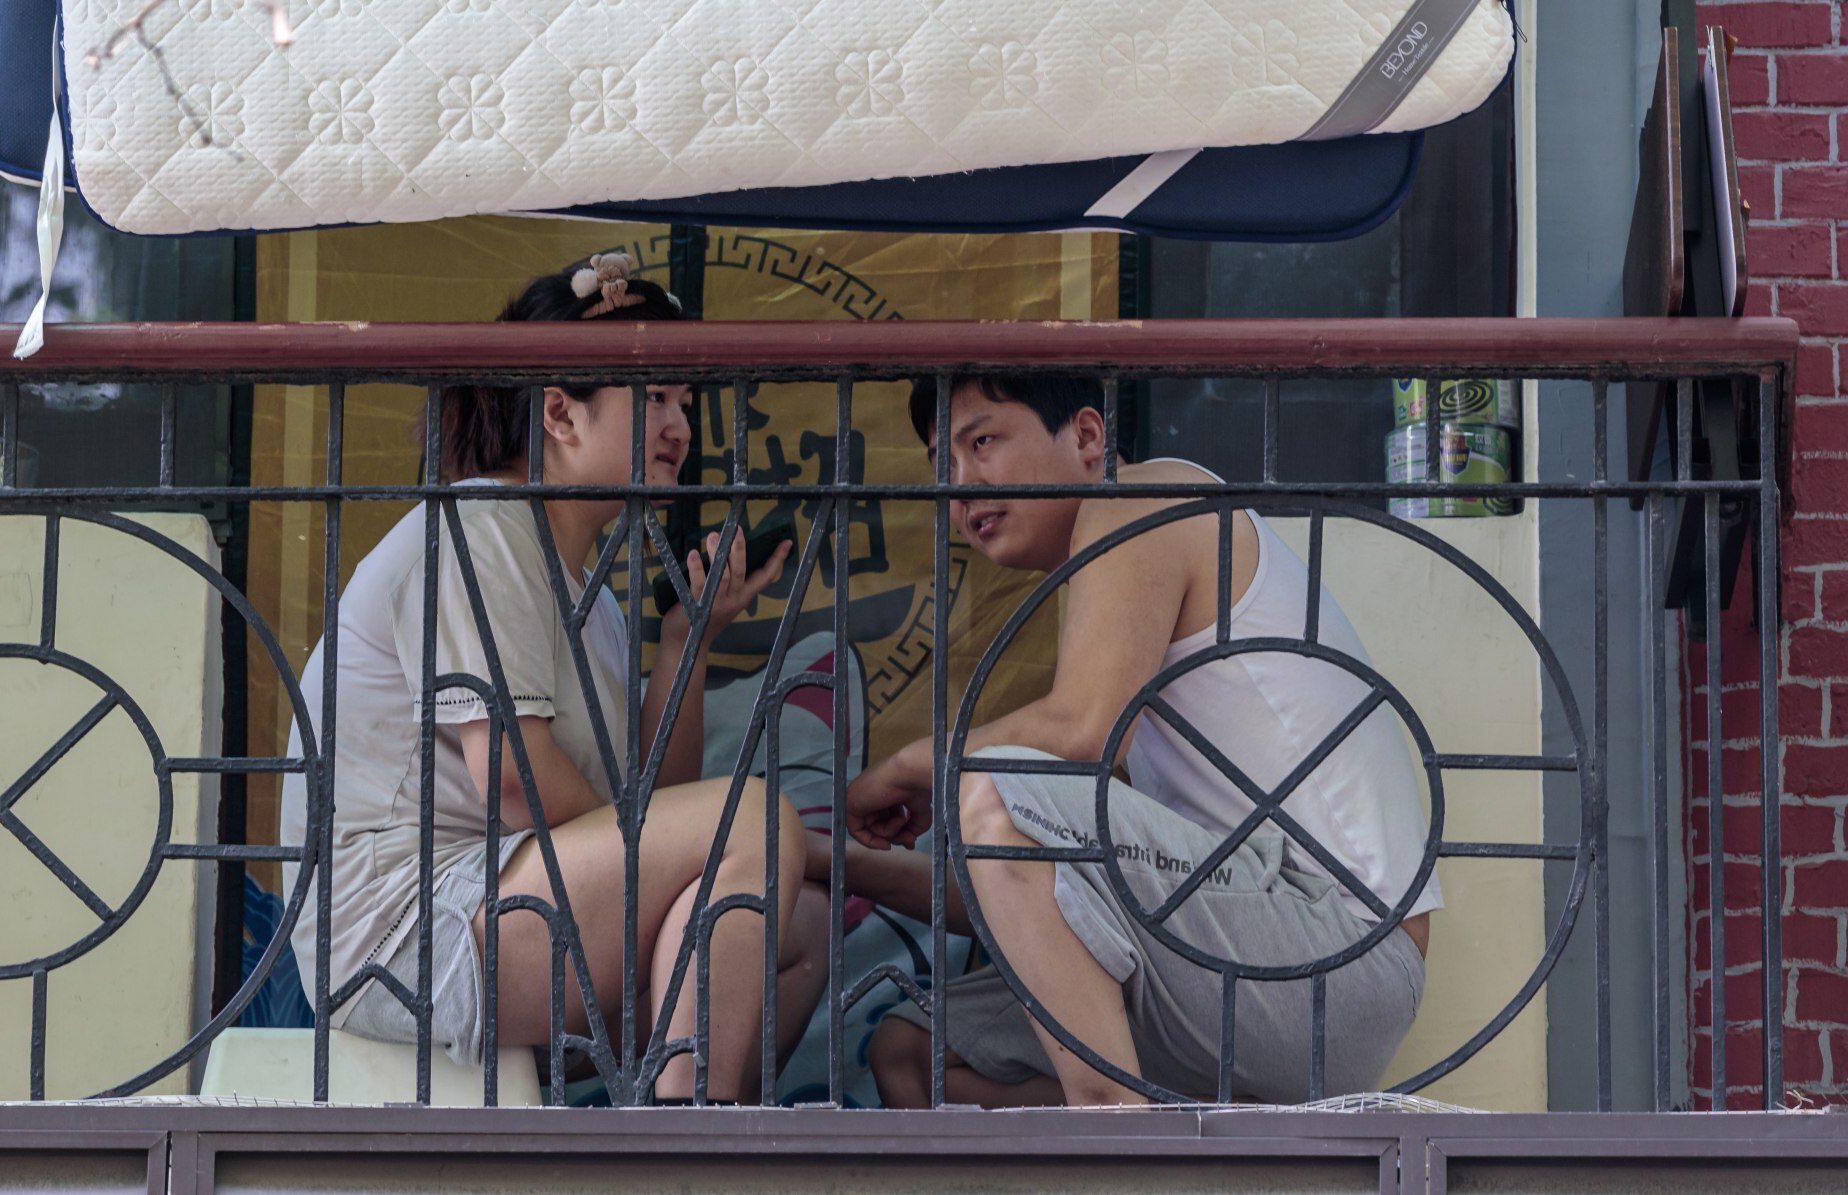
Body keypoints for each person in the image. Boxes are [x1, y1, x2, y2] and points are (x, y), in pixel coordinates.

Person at [280, 255, 826, 1103]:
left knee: (809, 930)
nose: (681, 425)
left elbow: (650, 814)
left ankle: (671, 1104)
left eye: (685, 402)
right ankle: (683, 1131)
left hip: (504, 908)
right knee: (752, 818)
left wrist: (687, 640)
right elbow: (510, 772)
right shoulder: (483, 519)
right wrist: (690, 854)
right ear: (561, 413)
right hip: (404, 937)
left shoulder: (591, 600)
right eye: (653, 400)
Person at [836, 374, 1441, 1108]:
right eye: (942, 465)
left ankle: (1118, 1133)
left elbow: (1079, 730)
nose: (960, 488)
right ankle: (1180, 1136)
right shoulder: (1106, 595)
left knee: (996, 786)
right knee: (912, 1053)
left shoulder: (1143, 499)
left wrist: (909, 765)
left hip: (1337, 956)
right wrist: (828, 863)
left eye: (983, 441)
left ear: (1088, 437)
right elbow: (1035, 885)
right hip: (1229, 952)